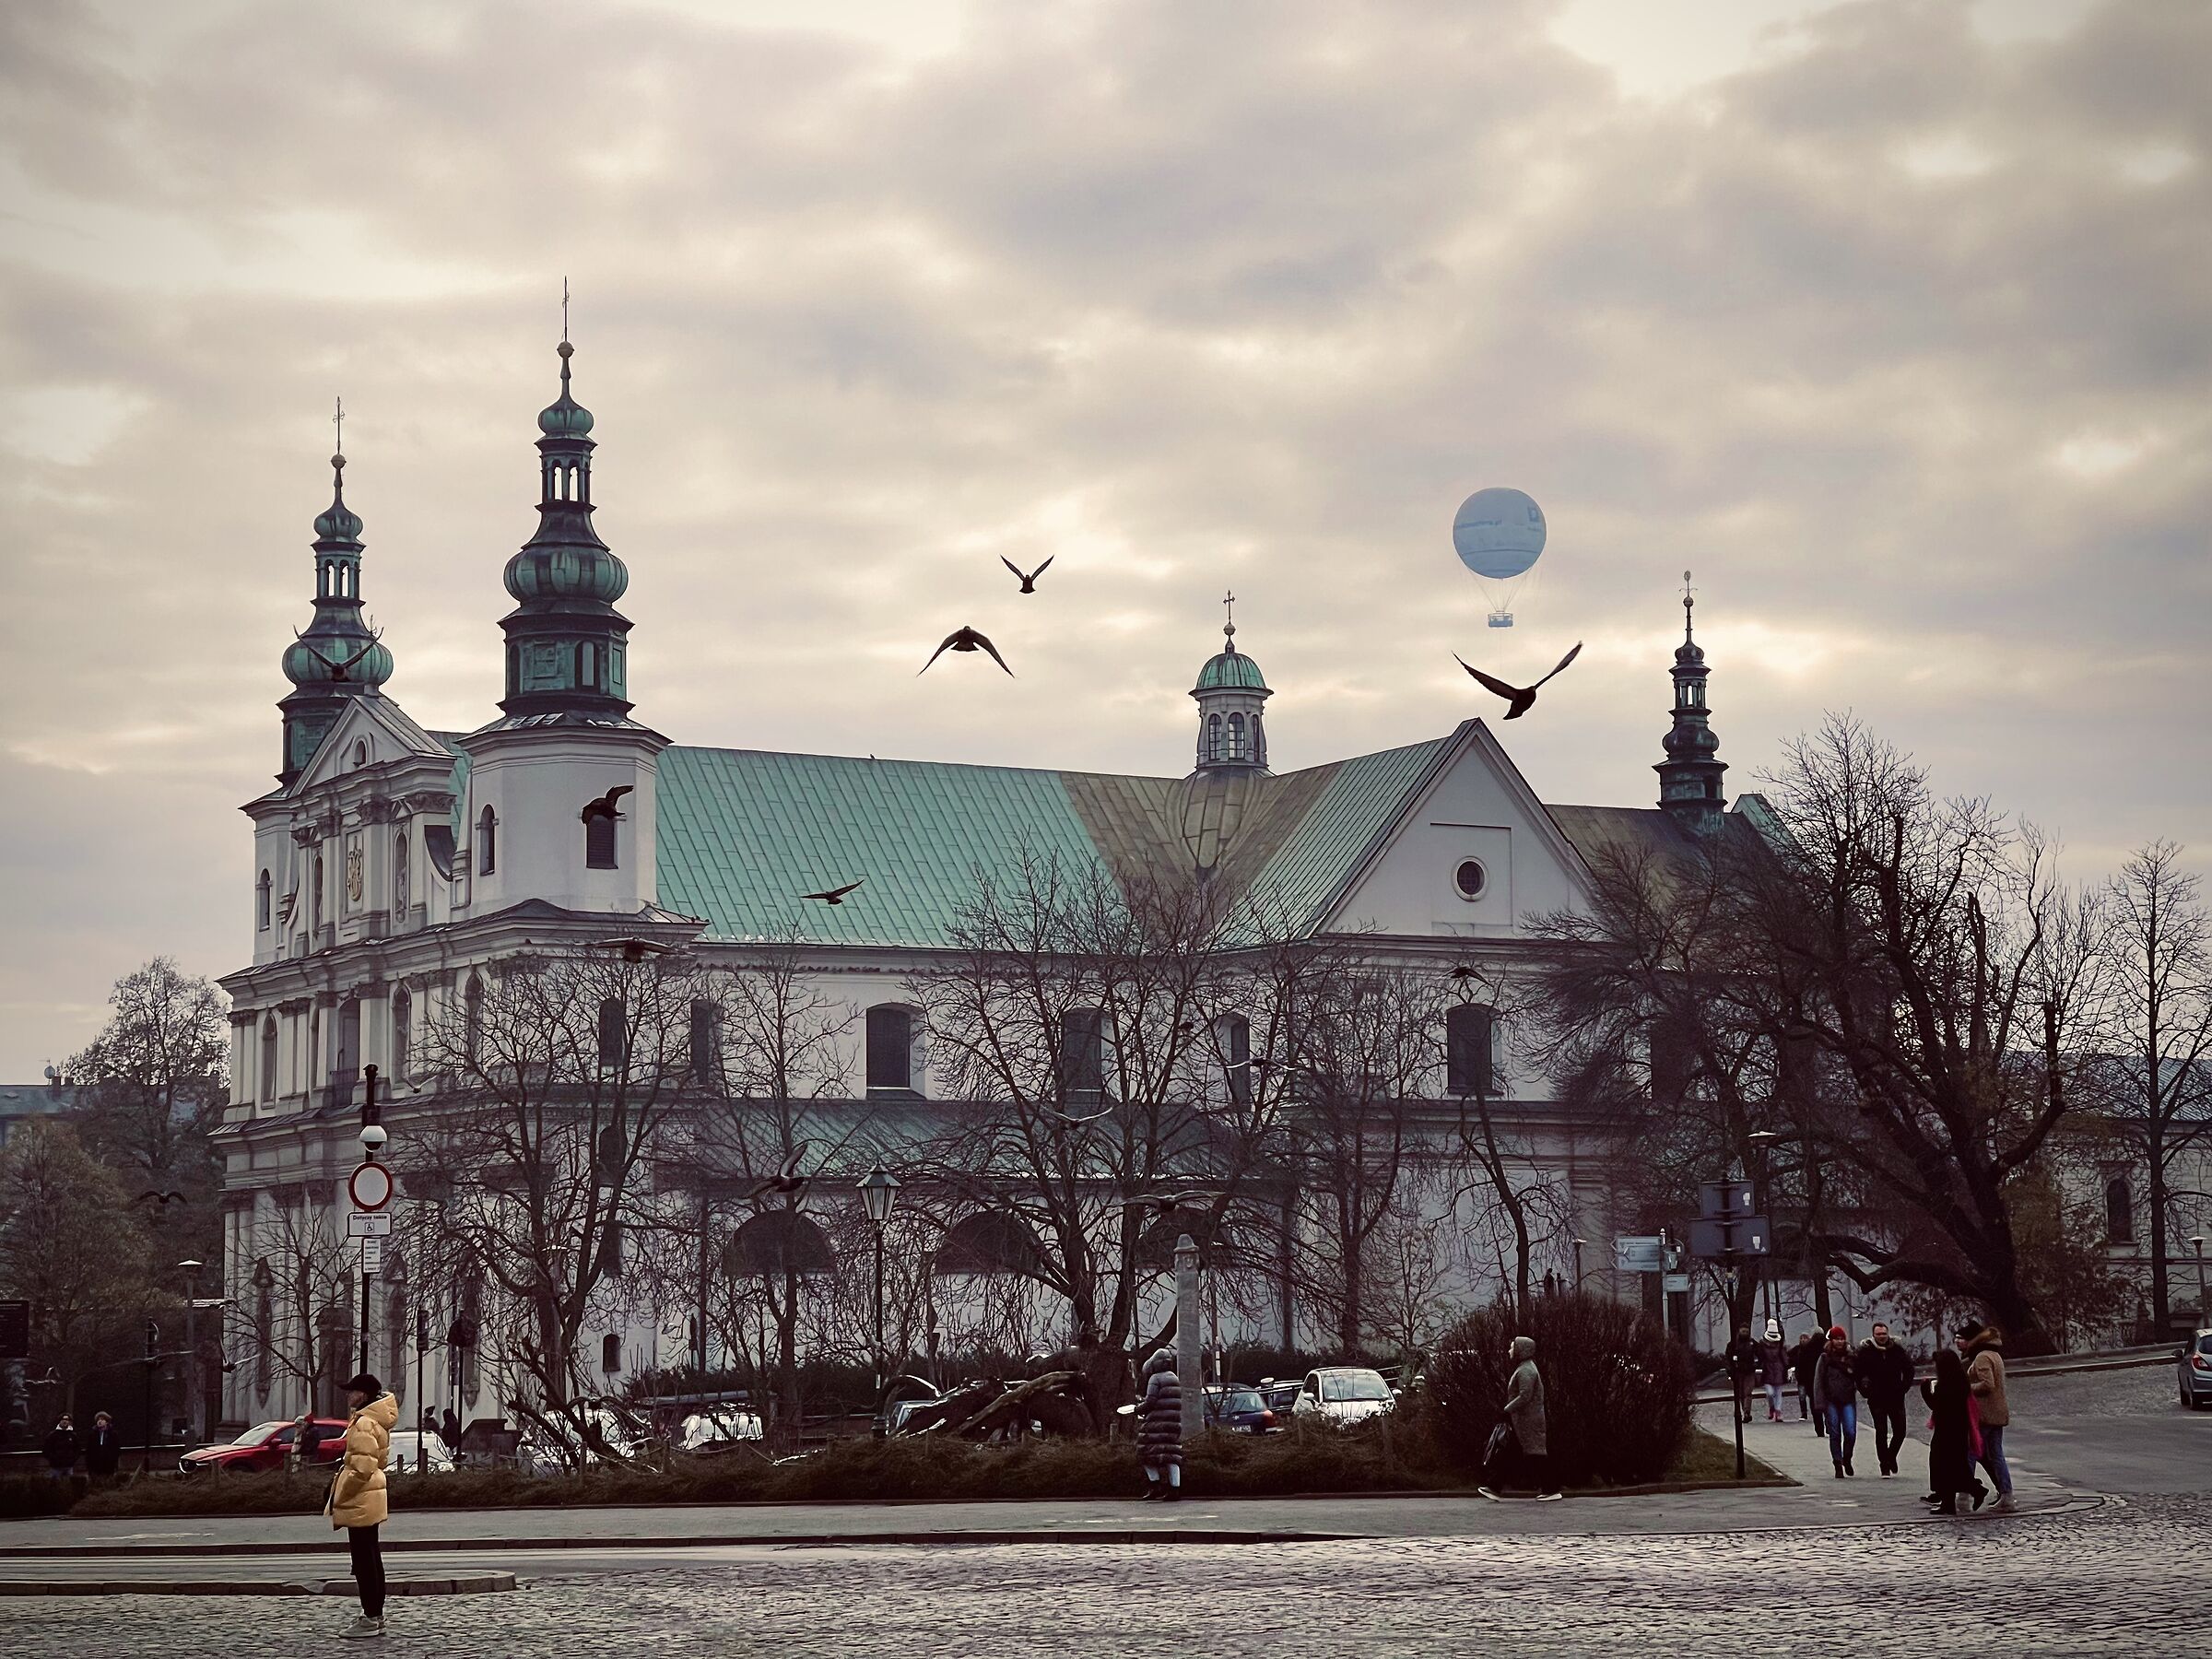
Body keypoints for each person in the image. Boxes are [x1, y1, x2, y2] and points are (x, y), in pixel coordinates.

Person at [327, 1371, 398, 1640]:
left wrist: (340, 1494)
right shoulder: (374, 1420)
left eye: (352, 1391)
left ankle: (370, 1617)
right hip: (372, 1494)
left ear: (364, 1395)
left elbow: (362, 1467)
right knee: (371, 1557)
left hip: (361, 1496)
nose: (348, 1395)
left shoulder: (364, 1422)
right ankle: (375, 1615)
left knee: (364, 1560)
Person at [1479, 1335, 1561, 1500]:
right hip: (1523, 1420)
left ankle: (1551, 1489)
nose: (1509, 1351)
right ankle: (1495, 1486)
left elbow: (1525, 1395)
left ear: (1520, 1351)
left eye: (1512, 1347)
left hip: (1527, 1421)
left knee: (1534, 1454)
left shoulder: (1526, 1370)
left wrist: (1507, 1410)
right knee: (1518, 1452)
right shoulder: (1526, 1368)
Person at [1917, 1348, 1984, 1513]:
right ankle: (1950, 1502)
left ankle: (1974, 1491)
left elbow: (1937, 1406)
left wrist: (1925, 1390)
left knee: (1945, 1466)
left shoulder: (1947, 1384)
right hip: (1957, 1430)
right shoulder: (1960, 1380)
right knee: (1953, 1466)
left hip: (1947, 1431)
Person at [1963, 1322, 2016, 1515]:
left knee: (1971, 1452)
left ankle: (1965, 1492)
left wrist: (1967, 1388)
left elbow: (1987, 1384)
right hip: (1998, 1413)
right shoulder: (1996, 1355)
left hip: (1985, 1415)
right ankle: (2006, 1494)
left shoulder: (1982, 1357)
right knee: (1996, 1454)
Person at [1853, 1322, 1914, 1478]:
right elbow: (1858, 1374)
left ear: (1888, 1334)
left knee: (1900, 1431)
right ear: (1873, 1335)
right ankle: (1884, 1465)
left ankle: (1891, 1455)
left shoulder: (1897, 1350)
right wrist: (1865, 1391)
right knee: (1880, 1431)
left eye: (1883, 1334)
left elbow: (1909, 1370)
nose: (1881, 1337)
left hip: (1896, 1396)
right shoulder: (1866, 1352)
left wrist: (1904, 1387)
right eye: (1878, 1334)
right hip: (1877, 1397)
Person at [1135, 1347, 1182, 1502]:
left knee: (1145, 1454)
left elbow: (1151, 1401)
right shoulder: (1174, 1378)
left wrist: (1137, 1409)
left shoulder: (1155, 1378)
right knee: (1171, 1457)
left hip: (1156, 1423)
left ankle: (1154, 1486)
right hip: (1173, 1423)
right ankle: (1174, 1489)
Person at [1812, 1324, 1858, 1477]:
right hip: (1831, 1399)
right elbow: (1818, 1380)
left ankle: (1847, 1457)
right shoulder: (1825, 1358)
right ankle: (1837, 1462)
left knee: (1850, 1432)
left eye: (1842, 1339)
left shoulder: (1851, 1356)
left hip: (1848, 1398)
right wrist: (1819, 1402)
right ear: (1831, 1340)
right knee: (1835, 1433)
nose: (1839, 1342)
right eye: (1836, 1339)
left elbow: (1858, 1374)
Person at [1791, 1329, 1825, 1436]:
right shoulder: (1826, 1348)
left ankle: (1819, 1428)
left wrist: (1802, 1379)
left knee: (1814, 1405)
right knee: (1827, 1404)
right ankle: (1829, 1425)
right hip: (1823, 1380)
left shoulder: (1806, 1350)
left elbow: (1801, 1365)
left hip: (1810, 1382)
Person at [1724, 1325, 1759, 1426]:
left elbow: (1760, 1354)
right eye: (1743, 1331)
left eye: (1746, 1331)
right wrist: (1730, 1369)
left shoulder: (1752, 1343)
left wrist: (1756, 1365)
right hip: (1738, 1372)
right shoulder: (1733, 1345)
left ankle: (1747, 1412)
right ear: (1739, 1331)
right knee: (1741, 1394)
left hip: (1749, 1371)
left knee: (1748, 1392)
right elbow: (1728, 1358)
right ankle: (1745, 1411)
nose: (1745, 1333)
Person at [1758, 1321, 1791, 1422]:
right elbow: (1761, 1356)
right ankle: (1772, 1407)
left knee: (1778, 1393)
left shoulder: (1780, 1345)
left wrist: (1787, 1366)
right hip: (1768, 1370)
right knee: (1770, 1393)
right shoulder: (1762, 1346)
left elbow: (1783, 1356)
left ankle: (1778, 1411)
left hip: (1778, 1369)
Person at [83, 1411, 124, 1482]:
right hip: (95, 1465)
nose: (100, 1421)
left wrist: (114, 1463)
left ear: (107, 1422)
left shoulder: (113, 1434)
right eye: (98, 1420)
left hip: (108, 1465)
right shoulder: (92, 1434)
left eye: (102, 1419)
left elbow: (116, 1449)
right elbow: (89, 1450)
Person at [41, 1414, 79, 1481]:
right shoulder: (52, 1435)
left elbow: (77, 1449)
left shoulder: (73, 1435)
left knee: (68, 1486)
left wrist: (73, 1460)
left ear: (69, 1422)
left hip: (69, 1466)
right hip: (56, 1467)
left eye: (67, 1420)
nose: (65, 1421)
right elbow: (46, 1450)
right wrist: (53, 1459)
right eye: (63, 1419)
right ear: (59, 1421)